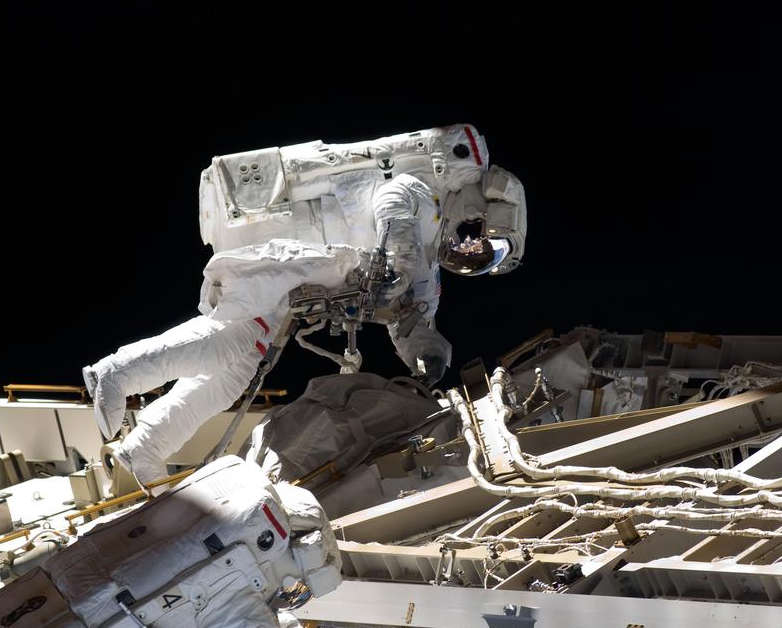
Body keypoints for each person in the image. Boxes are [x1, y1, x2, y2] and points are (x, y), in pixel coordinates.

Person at [83, 125, 527, 485]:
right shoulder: (422, 196)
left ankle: (144, 448)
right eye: (479, 248)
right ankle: (117, 373)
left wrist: (427, 354)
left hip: (310, 288)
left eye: (478, 258)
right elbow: (391, 203)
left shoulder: (429, 268)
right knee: (227, 341)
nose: (467, 252)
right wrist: (400, 258)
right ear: (476, 216)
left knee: (234, 373)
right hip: (299, 261)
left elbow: (412, 319)